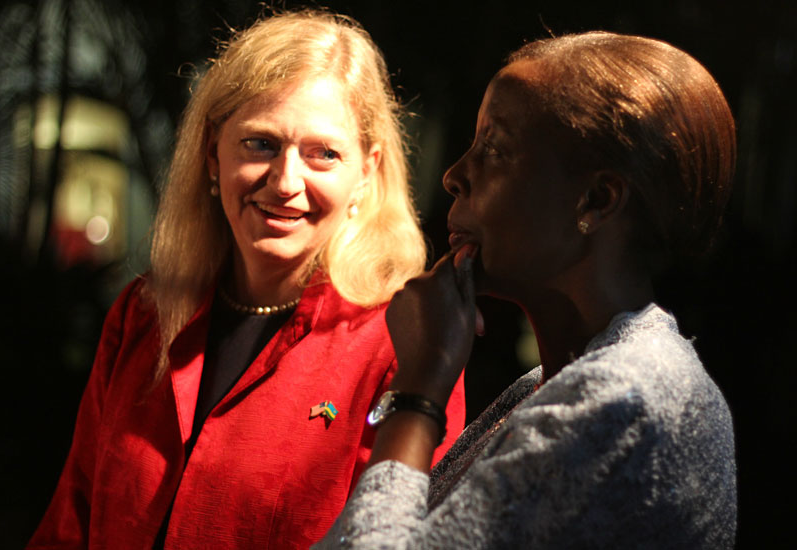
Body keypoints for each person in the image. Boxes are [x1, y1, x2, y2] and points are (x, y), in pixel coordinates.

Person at [27, 10, 466, 550]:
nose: (285, 182)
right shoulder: (143, 315)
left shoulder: (402, 348)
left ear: (366, 172)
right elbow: (70, 521)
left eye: (323, 154)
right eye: (260, 143)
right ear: (212, 151)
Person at [316, 31, 737, 548]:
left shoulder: (631, 400)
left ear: (596, 202)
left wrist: (419, 391)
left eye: (494, 150)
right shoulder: (554, 383)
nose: (453, 175)